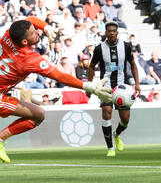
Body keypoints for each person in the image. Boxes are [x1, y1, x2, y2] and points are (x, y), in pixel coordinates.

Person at [0, 17, 111, 163]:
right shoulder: (29, 59)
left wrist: (47, 28)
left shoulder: (10, 35)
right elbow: (59, 75)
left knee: (38, 114)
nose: (38, 32)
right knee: (38, 115)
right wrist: (86, 85)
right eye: (34, 33)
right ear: (25, 42)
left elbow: (29, 20)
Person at [87, 21, 140, 157]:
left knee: (125, 120)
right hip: (106, 86)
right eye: (109, 31)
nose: (111, 33)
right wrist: (89, 84)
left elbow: (133, 64)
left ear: (117, 33)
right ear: (105, 33)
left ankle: (116, 134)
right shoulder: (99, 49)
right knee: (106, 112)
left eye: (113, 31)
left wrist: (137, 84)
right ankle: (110, 148)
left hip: (122, 87)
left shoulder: (126, 46)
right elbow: (91, 66)